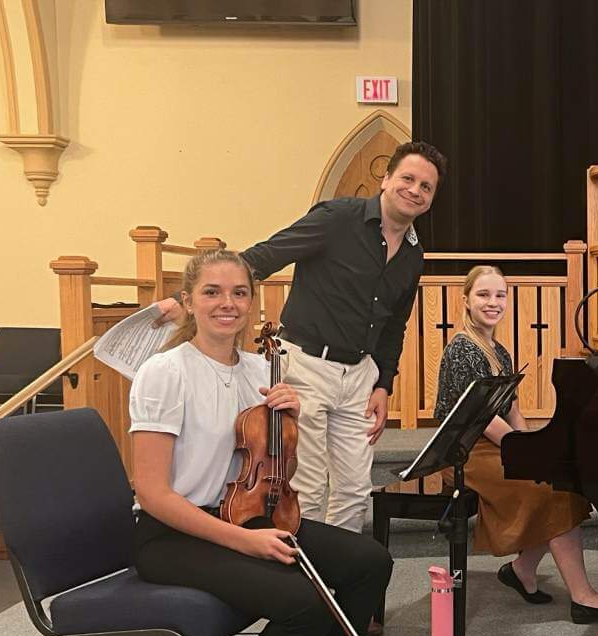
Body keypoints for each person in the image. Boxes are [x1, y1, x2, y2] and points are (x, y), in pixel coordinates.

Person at [131, 249, 394, 636]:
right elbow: (153, 492)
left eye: (239, 292)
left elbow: (274, 467)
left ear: (252, 302)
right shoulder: (165, 373)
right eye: (212, 292)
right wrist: (243, 544)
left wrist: (288, 423)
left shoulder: (262, 369)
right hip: (172, 533)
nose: (227, 303)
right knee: (305, 597)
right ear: (188, 301)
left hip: (247, 511)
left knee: (368, 561)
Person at [156, 141, 447, 536]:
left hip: (360, 375)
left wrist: (383, 384)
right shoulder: (337, 218)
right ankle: (303, 582)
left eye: (426, 187)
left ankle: (335, 573)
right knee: (305, 489)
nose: (415, 190)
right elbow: (268, 254)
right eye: (408, 179)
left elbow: (395, 323)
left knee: (354, 490)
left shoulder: (414, 255)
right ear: (386, 179)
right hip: (306, 367)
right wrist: (185, 297)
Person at [433, 265, 598, 622]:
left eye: (500, 295)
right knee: (552, 491)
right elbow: (481, 419)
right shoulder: (462, 349)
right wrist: (525, 453)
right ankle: (582, 595)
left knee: (561, 480)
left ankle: (523, 570)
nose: (493, 302)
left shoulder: (498, 349)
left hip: (493, 444)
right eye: (483, 294)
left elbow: (512, 408)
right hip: (465, 452)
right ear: (465, 300)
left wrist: (532, 444)